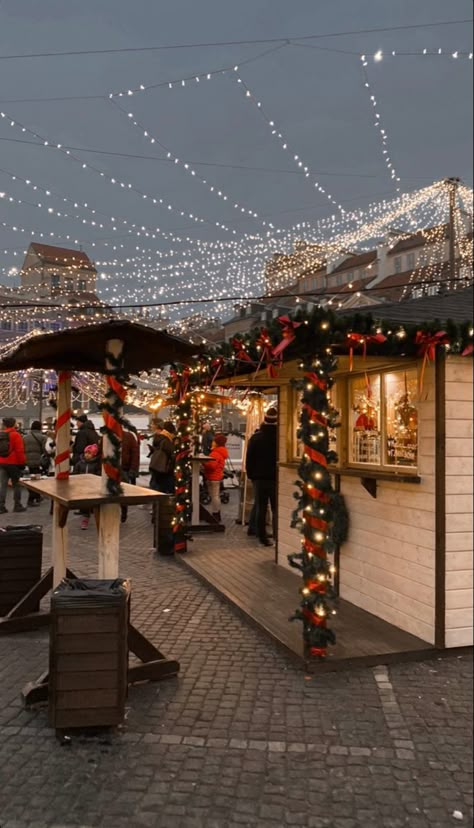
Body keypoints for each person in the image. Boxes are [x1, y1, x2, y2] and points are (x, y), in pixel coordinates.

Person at [245, 408, 278, 547]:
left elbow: (249, 458)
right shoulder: (279, 437)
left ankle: (261, 535)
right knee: (276, 508)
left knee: (261, 506)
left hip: (259, 478)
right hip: (275, 477)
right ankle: (278, 535)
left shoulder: (256, 437)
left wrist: (251, 474)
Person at [0, 417, 27, 514]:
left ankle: (1, 506)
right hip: (13, 463)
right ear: (13, 424)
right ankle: (17, 505)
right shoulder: (16, 435)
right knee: (16, 484)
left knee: (3, 485)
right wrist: (22, 463)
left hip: (2, 462)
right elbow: (20, 451)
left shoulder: (1, 434)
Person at [73, 444, 101, 529]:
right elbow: (75, 473)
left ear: (94, 454)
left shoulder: (96, 464)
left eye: (89, 453)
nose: (87, 455)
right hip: (82, 486)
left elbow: (99, 475)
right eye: (86, 453)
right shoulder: (80, 463)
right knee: (85, 504)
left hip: (92, 487)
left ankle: (95, 517)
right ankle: (85, 518)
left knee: (94, 504)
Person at [202, 434, 228, 522]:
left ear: (217, 443)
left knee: (214, 496)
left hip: (213, 477)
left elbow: (212, 466)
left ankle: (216, 514)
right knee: (215, 496)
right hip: (216, 476)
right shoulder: (220, 452)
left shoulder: (216, 453)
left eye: (214, 441)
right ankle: (216, 513)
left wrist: (204, 462)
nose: (212, 442)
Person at [23, 420, 47, 505]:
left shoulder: (25, 437)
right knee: (37, 480)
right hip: (38, 461)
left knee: (31, 479)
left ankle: (36, 496)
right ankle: (32, 498)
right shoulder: (43, 437)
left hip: (27, 461)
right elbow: (45, 450)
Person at [149, 420, 176, 494]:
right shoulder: (166, 440)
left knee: (156, 489)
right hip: (163, 470)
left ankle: (156, 503)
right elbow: (172, 453)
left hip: (156, 467)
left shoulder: (159, 437)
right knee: (164, 491)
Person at [120, 425, 140, 523]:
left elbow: (135, 453)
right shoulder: (107, 437)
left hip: (124, 469)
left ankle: (123, 512)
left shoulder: (128, 437)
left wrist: (133, 469)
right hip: (112, 468)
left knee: (123, 492)